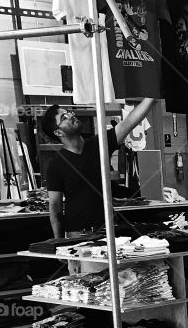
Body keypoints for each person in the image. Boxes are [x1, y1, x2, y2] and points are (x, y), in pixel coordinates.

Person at [40, 98, 155, 241]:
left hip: (108, 230)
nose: (71, 115)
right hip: (78, 235)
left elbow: (130, 122)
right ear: (58, 133)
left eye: (69, 112)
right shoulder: (55, 165)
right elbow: (55, 208)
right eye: (64, 117)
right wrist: (58, 242)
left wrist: (151, 96)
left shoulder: (100, 144)